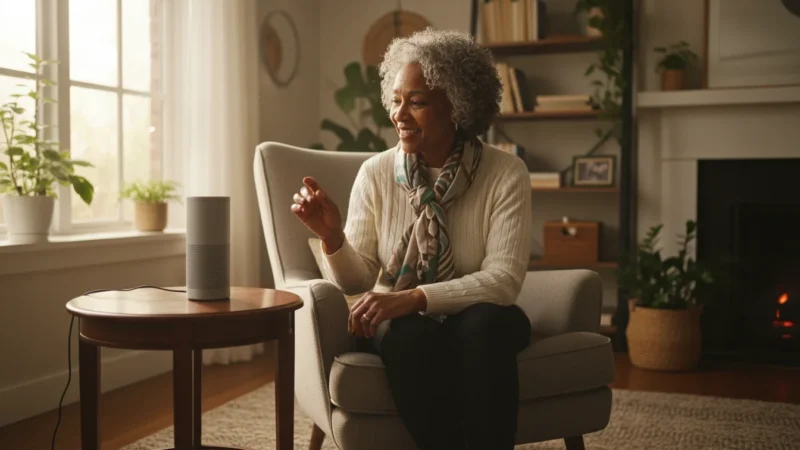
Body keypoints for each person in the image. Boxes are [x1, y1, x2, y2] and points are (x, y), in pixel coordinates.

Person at [291, 28, 532, 450]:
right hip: (403, 324)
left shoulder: (505, 174)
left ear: (458, 107)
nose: (399, 114)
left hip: (479, 317)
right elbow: (357, 282)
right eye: (396, 100)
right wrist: (331, 237)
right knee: (406, 335)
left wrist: (413, 297)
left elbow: (504, 280)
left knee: (483, 326)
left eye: (416, 102)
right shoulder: (376, 173)